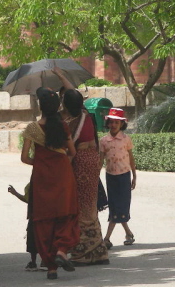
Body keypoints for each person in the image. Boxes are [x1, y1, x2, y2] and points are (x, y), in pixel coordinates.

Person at [21, 87, 78, 281]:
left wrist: (39, 164)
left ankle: (51, 268)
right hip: (63, 175)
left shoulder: (32, 128)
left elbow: (24, 158)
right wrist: (61, 164)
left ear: (40, 107)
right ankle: (62, 250)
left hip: (42, 177)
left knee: (44, 220)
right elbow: (72, 152)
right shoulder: (63, 126)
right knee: (66, 214)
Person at [61, 89, 108, 266]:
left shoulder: (73, 122)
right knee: (90, 206)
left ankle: (83, 253)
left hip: (80, 163)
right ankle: (99, 252)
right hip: (92, 162)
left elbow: (71, 150)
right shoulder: (85, 116)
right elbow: (74, 96)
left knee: (80, 208)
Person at [100, 108, 136, 249]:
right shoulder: (103, 141)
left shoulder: (126, 139)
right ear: (108, 123)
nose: (114, 125)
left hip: (124, 176)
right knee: (114, 205)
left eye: (117, 122)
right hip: (111, 177)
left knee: (122, 205)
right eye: (112, 122)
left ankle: (107, 238)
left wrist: (134, 175)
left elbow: (131, 158)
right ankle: (127, 233)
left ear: (122, 124)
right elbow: (100, 160)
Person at [7, 182, 43, 272]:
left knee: (32, 238)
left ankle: (34, 262)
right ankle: (45, 260)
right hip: (44, 215)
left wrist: (15, 193)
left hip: (34, 215)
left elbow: (27, 199)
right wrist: (15, 193)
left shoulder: (33, 183)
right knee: (44, 237)